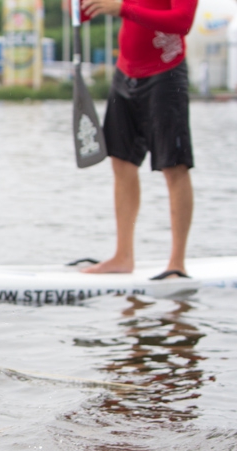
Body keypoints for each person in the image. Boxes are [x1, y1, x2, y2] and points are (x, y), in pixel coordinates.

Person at [79, 0, 197, 279]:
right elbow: (83, 13)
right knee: (121, 162)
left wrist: (122, 9)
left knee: (174, 166)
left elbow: (183, 22)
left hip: (166, 73)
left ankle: (177, 263)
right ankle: (123, 256)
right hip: (125, 73)